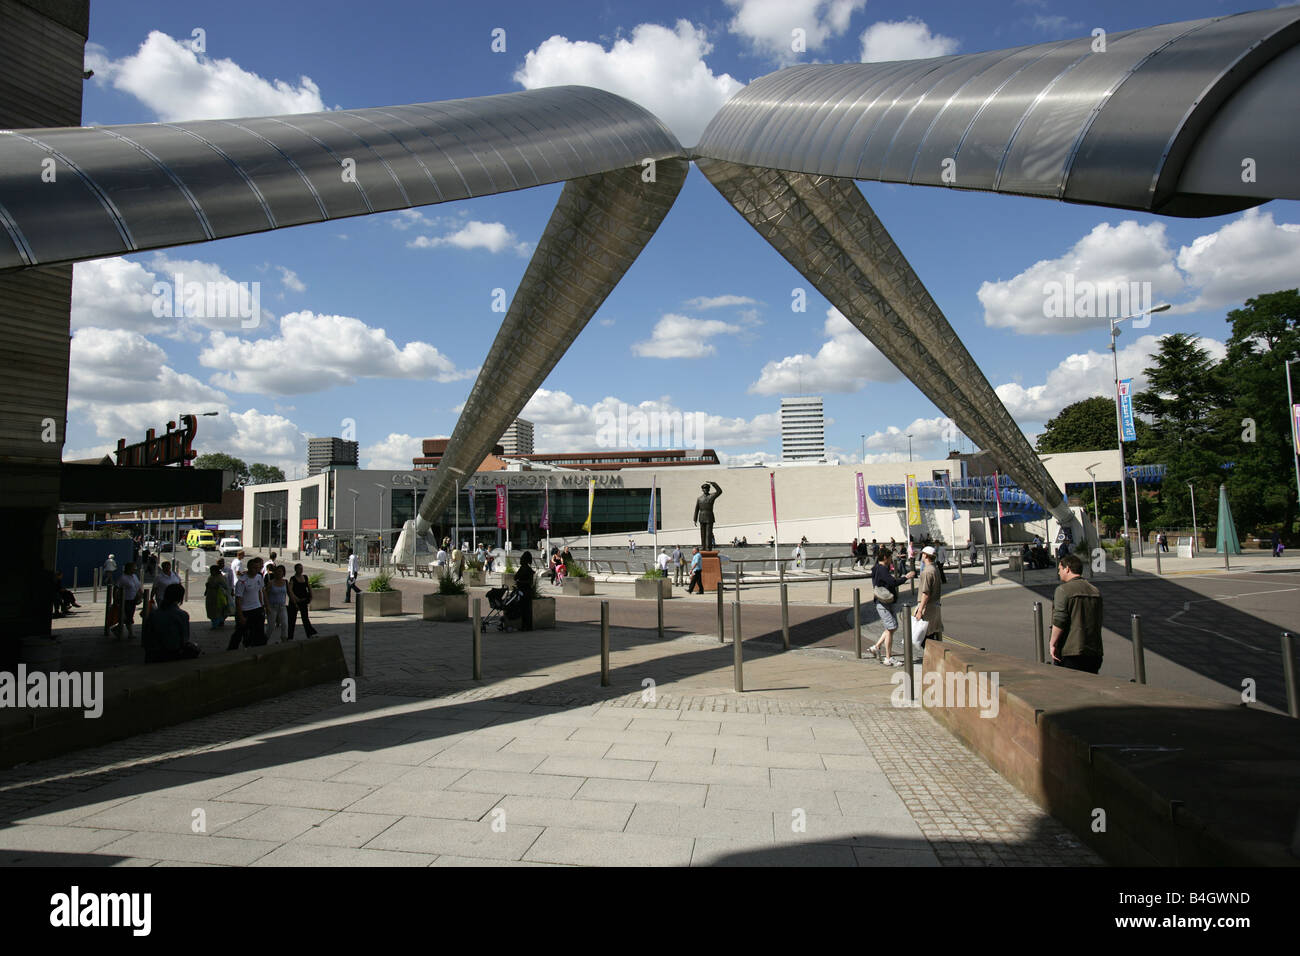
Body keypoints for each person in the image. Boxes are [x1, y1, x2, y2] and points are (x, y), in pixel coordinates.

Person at [1050, 553, 1104, 673]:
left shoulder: (1063, 590)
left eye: (1060, 569)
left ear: (1067, 569)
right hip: (1094, 650)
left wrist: (1052, 643)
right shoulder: (1095, 591)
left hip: (1071, 651)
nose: (1059, 573)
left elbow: (1059, 619)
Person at [869, 548, 915, 666]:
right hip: (883, 602)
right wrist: (906, 577)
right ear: (885, 558)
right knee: (891, 628)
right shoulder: (882, 569)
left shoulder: (876, 568)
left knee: (892, 627)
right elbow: (892, 582)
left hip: (885, 601)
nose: (891, 559)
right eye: (890, 557)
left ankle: (877, 647)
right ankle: (888, 658)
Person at [143, 583, 199, 662]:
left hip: (153, 654)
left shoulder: (153, 614)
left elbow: (146, 638)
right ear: (180, 598)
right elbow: (184, 639)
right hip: (173, 654)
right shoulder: (182, 615)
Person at [232, 557, 267, 649]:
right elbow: (238, 600)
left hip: (257, 609)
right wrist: (241, 616)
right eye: (253, 568)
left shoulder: (259, 577)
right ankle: (233, 649)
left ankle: (257, 648)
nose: (255, 570)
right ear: (249, 568)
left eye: (257, 568)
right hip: (245, 610)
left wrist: (262, 606)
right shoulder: (242, 581)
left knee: (259, 632)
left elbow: (260, 591)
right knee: (240, 633)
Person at [914, 546, 944, 651]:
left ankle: (932, 660)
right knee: (931, 636)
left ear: (926, 555)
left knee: (924, 637)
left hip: (928, 607)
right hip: (935, 606)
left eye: (922, 554)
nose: (921, 555)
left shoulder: (927, 572)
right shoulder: (934, 569)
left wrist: (920, 610)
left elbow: (925, 593)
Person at [288, 563, 318, 639]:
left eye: (301, 568)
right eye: (299, 568)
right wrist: (295, 598)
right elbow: (290, 590)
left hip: (304, 600)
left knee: (305, 618)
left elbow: (309, 586)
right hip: (295, 601)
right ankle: (290, 636)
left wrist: (311, 595)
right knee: (292, 619)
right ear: (296, 569)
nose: (301, 570)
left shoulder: (305, 577)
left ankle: (310, 634)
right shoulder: (293, 578)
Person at [115, 562, 143, 639]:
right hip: (126, 599)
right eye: (133, 568)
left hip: (133, 599)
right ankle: (130, 633)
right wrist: (115, 599)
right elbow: (116, 588)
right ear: (129, 568)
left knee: (129, 615)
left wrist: (141, 595)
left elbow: (138, 586)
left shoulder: (134, 576)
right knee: (128, 616)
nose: (135, 569)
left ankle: (118, 629)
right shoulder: (123, 578)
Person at [693, 482, 723, 551]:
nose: (705, 490)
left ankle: (708, 548)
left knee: (708, 534)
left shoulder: (711, 496)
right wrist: (695, 519)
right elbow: (696, 509)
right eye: (704, 488)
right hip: (701, 517)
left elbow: (719, 491)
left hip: (709, 516)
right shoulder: (699, 498)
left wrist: (714, 484)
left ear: (709, 489)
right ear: (702, 490)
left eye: (707, 488)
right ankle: (703, 547)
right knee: (702, 534)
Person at [265, 565, 289, 642]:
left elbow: (290, 593)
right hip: (272, 607)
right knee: (271, 626)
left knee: (285, 624)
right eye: (278, 571)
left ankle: (284, 640)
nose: (279, 573)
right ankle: (264, 640)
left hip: (282, 607)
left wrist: (295, 601)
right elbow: (265, 594)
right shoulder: (271, 583)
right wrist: (267, 606)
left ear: (283, 573)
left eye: (281, 571)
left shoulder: (285, 582)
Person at [513, 551, 535, 631]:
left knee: (522, 608)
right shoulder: (529, 570)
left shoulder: (522, 568)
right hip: (528, 591)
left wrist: (520, 582)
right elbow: (531, 582)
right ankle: (528, 626)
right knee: (527, 609)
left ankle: (523, 626)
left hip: (521, 590)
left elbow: (515, 577)